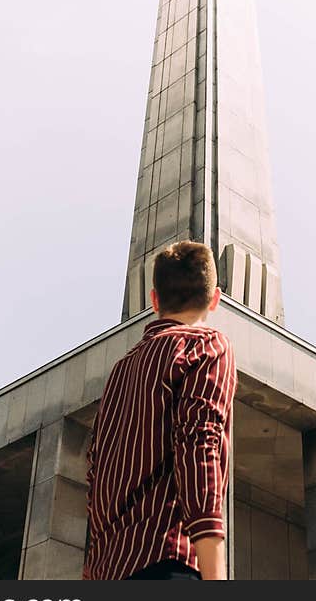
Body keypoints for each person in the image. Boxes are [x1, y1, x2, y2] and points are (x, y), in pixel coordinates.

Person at [82, 240, 237, 581]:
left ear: (153, 299)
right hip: (169, 559)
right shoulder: (207, 346)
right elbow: (200, 445)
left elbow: (97, 472)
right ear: (215, 298)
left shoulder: (120, 371)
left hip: (113, 569)